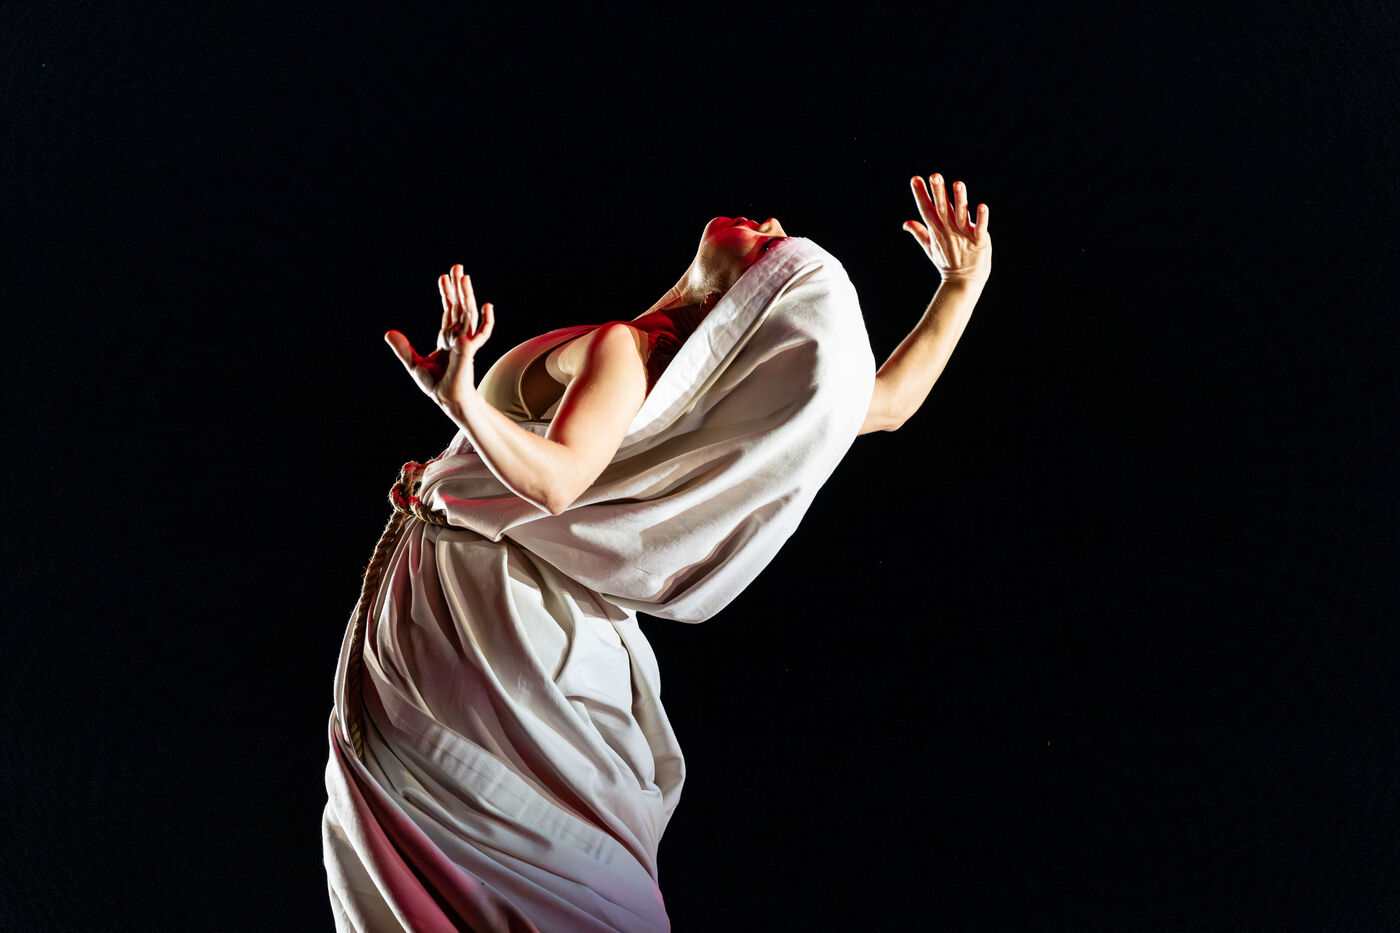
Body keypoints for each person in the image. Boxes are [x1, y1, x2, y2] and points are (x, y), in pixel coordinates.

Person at [323, 173, 991, 932]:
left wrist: (464, 402)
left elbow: (559, 479)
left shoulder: (626, 350)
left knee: (486, 860)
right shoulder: (686, 396)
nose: (771, 219)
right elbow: (887, 403)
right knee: (508, 874)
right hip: (525, 612)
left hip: (489, 613)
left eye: (771, 247)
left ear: (745, 301)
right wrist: (961, 284)